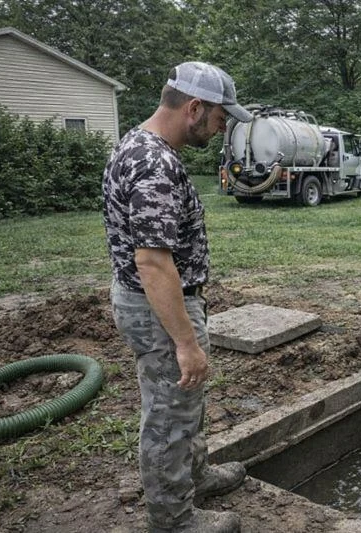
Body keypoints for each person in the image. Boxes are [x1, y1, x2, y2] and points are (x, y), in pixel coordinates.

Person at [103, 61, 253, 533]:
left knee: (184, 405)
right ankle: (173, 519)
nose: (223, 125)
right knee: (169, 415)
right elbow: (153, 262)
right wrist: (186, 343)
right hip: (159, 308)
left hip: (153, 303)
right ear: (194, 108)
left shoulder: (137, 145)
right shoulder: (155, 164)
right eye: (220, 116)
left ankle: (194, 476)